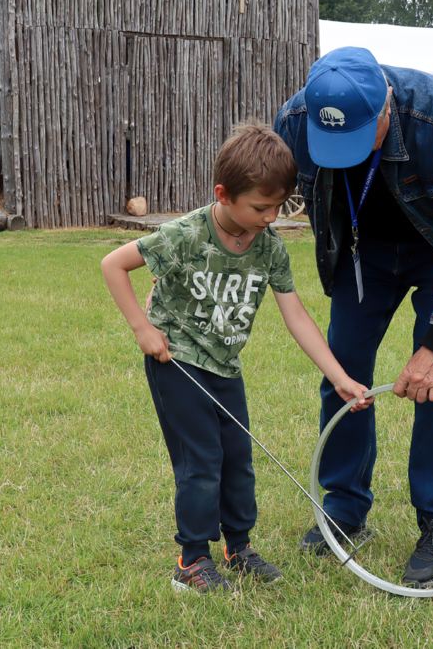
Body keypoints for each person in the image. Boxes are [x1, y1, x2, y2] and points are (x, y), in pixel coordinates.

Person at [274, 47, 433, 587]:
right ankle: (345, 508)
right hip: (364, 253)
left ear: (386, 104)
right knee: (342, 372)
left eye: (360, 137)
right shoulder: (293, 121)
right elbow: (248, 193)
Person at [101, 124, 372, 593]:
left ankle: (238, 546)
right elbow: (114, 264)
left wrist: (340, 377)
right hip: (178, 362)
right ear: (223, 194)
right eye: (260, 208)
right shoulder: (185, 234)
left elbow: (297, 318)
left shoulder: (269, 249)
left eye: (278, 207)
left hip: (225, 366)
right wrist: (143, 330)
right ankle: (191, 561)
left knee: (238, 461)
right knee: (201, 460)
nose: (270, 218)